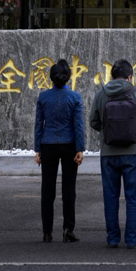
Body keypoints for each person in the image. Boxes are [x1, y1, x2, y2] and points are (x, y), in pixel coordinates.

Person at [89, 58, 136, 249]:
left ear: (112, 75)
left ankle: (113, 239)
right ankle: (132, 240)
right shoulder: (135, 93)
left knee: (110, 196)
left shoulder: (102, 94)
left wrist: (108, 131)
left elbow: (93, 121)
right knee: (132, 197)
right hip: (132, 152)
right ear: (130, 77)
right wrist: (133, 131)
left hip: (108, 153)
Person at [33, 59, 85, 243]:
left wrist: (37, 149)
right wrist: (80, 148)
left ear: (51, 78)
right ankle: (68, 229)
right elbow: (78, 125)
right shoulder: (75, 97)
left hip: (48, 144)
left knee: (47, 189)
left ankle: (47, 231)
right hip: (69, 144)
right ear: (68, 77)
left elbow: (39, 124)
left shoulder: (43, 97)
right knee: (69, 189)